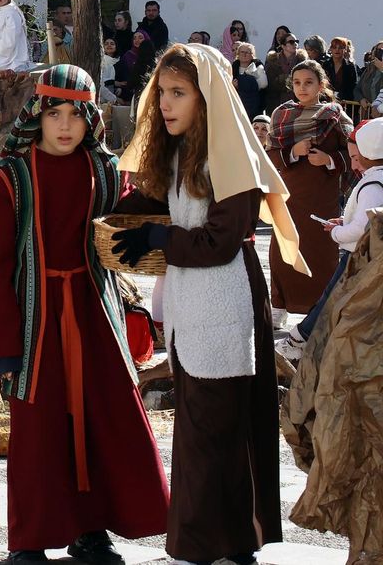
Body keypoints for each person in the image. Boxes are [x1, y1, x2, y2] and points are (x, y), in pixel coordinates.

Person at [111, 43, 303, 565]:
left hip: (227, 309)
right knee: (199, 433)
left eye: (179, 93)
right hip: (193, 312)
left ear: (207, 98)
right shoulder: (179, 151)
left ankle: (231, 545)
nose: (166, 104)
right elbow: (150, 202)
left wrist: (158, 237)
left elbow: (220, 241)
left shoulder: (229, 159)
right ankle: (206, 546)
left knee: (220, 433)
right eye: (163, 93)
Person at [0, 64, 169, 565]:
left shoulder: (103, 171)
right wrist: (0, 347)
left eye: (75, 115)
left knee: (102, 419)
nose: (64, 125)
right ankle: (30, 539)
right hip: (34, 322)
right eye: (53, 113)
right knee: (39, 431)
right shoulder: (8, 178)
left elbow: (124, 227)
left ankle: (91, 530)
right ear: (36, 115)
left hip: (95, 316)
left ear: (91, 118)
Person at [278, 118, 383, 361]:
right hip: (367, 256)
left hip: (356, 256)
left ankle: (300, 339)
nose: (354, 164)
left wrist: (337, 233)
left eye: (357, 158)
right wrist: (344, 223)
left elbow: (361, 229)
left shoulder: (372, 184)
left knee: (330, 300)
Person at [267, 59, 351, 320]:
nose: (302, 88)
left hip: (321, 197)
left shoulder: (334, 115)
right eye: (297, 83)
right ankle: (280, 305)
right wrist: (293, 151)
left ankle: (319, 311)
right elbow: (270, 156)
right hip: (290, 195)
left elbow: (354, 153)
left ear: (320, 84)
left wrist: (329, 160)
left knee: (320, 253)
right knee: (282, 250)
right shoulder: (281, 115)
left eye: (308, 82)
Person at [263, 33, 305, 112]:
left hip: (299, 103)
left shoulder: (302, 62)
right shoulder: (273, 61)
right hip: (276, 104)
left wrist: (283, 79)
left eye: (296, 41)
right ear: (283, 46)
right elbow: (271, 85)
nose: (295, 44)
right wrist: (290, 81)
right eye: (291, 42)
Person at [231, 41, 267, 118]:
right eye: (242, 52)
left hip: (254, 105)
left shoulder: (258, 67)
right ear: (238, 54)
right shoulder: (232, 68)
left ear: (252, 55)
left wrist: (242, 85)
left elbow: (263, 83)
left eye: (247, 52)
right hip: (237, 104)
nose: (244, 54)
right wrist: (233, 85)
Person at [329, 37, 359, 102]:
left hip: (345, 103)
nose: (337, 50)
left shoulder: (350, 66)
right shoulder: (325, 64)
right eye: (334, 47)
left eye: (340, 47)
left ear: (345, 49)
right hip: (328, 101)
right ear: (331, 49)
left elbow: (353, 86)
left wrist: (340, 96)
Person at [360, 40, 383, 117]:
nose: (380, 53)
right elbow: (357, 88)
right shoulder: (370, 68)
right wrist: (361, 99)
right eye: (378, 50)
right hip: (370, 111)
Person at [99, 38, 121, 104]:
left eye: (112, 44)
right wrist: (113, 82)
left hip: (115, 96)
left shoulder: (120, 62)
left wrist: (118, 88)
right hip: (103, 97)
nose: (109, 45)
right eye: (106, 44)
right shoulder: (100, 61)